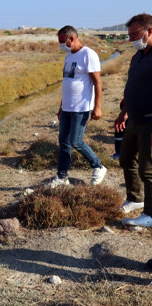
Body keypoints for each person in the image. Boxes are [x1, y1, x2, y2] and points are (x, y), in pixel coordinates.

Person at [47, 26, 106, 188]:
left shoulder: (88, 54)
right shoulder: (68, 57)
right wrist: (61, 106)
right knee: (63, 142)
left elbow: (97, 82)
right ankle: (62, 177)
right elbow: (67, 84)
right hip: (67, 107)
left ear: (71, 38)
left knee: (76, 141)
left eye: (62, 41)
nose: (60, 45)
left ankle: (98, 167)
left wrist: (97, 107)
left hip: (81, 107)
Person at [116, 13, 152, 227]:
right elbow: (134, 85)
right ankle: (135, 199)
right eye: (129, 36)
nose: (131, 40)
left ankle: (150, 214)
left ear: (149, 31)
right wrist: (124, 113)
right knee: (126, 159)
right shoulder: (138, 56)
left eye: (135, 35)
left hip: (150, 123)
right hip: (134, 119)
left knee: (148, 169)